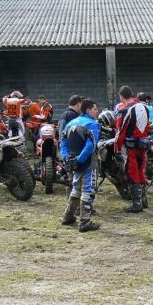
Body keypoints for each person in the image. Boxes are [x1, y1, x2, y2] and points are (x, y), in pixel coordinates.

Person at [60, 99, 101, 232]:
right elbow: (91, 145)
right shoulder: (92, 124)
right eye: (95, 109)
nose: (97, 111)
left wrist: (67, 158)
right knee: (88, 190)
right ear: (88, 109)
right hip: (88, 161)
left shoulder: (71, 123)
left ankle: (68, 216)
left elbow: (63, 143)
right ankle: (85, 222)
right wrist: (80, 159)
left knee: (76, 188)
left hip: (73, 161)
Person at [115, 85, 151, 213]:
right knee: (141, 171)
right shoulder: (144, 107)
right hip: (143, 144)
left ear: (121, 96)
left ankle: (137, 204)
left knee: (131, 173)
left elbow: (120, 131)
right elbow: (147, 127)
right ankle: (143, 200)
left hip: (130, 146)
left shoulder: (124, 110)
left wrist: (117, 148)